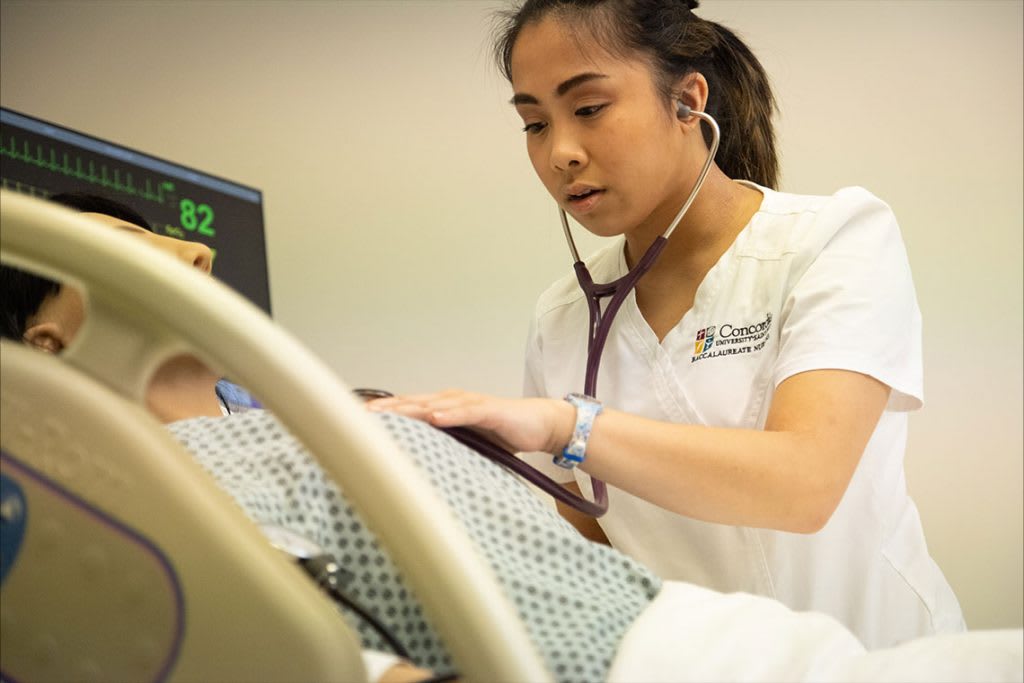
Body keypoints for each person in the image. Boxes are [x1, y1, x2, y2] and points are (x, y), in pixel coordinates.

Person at [4, 192, 1020, 683]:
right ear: (48, 341)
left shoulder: (332, 422)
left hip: (747, 639)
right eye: (127, 256)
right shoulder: (153, 494)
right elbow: (295, 649)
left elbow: (799, 481)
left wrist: (551, 434)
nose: (186, 257)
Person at [366, 0, 964, 649]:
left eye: (588, 109)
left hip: (880, 658)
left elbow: (805, 483)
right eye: (535, 123)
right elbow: (593, 552)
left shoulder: (834, 240)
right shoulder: (564, 317)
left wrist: (567, 426)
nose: (560, 152)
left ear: (687, 101)